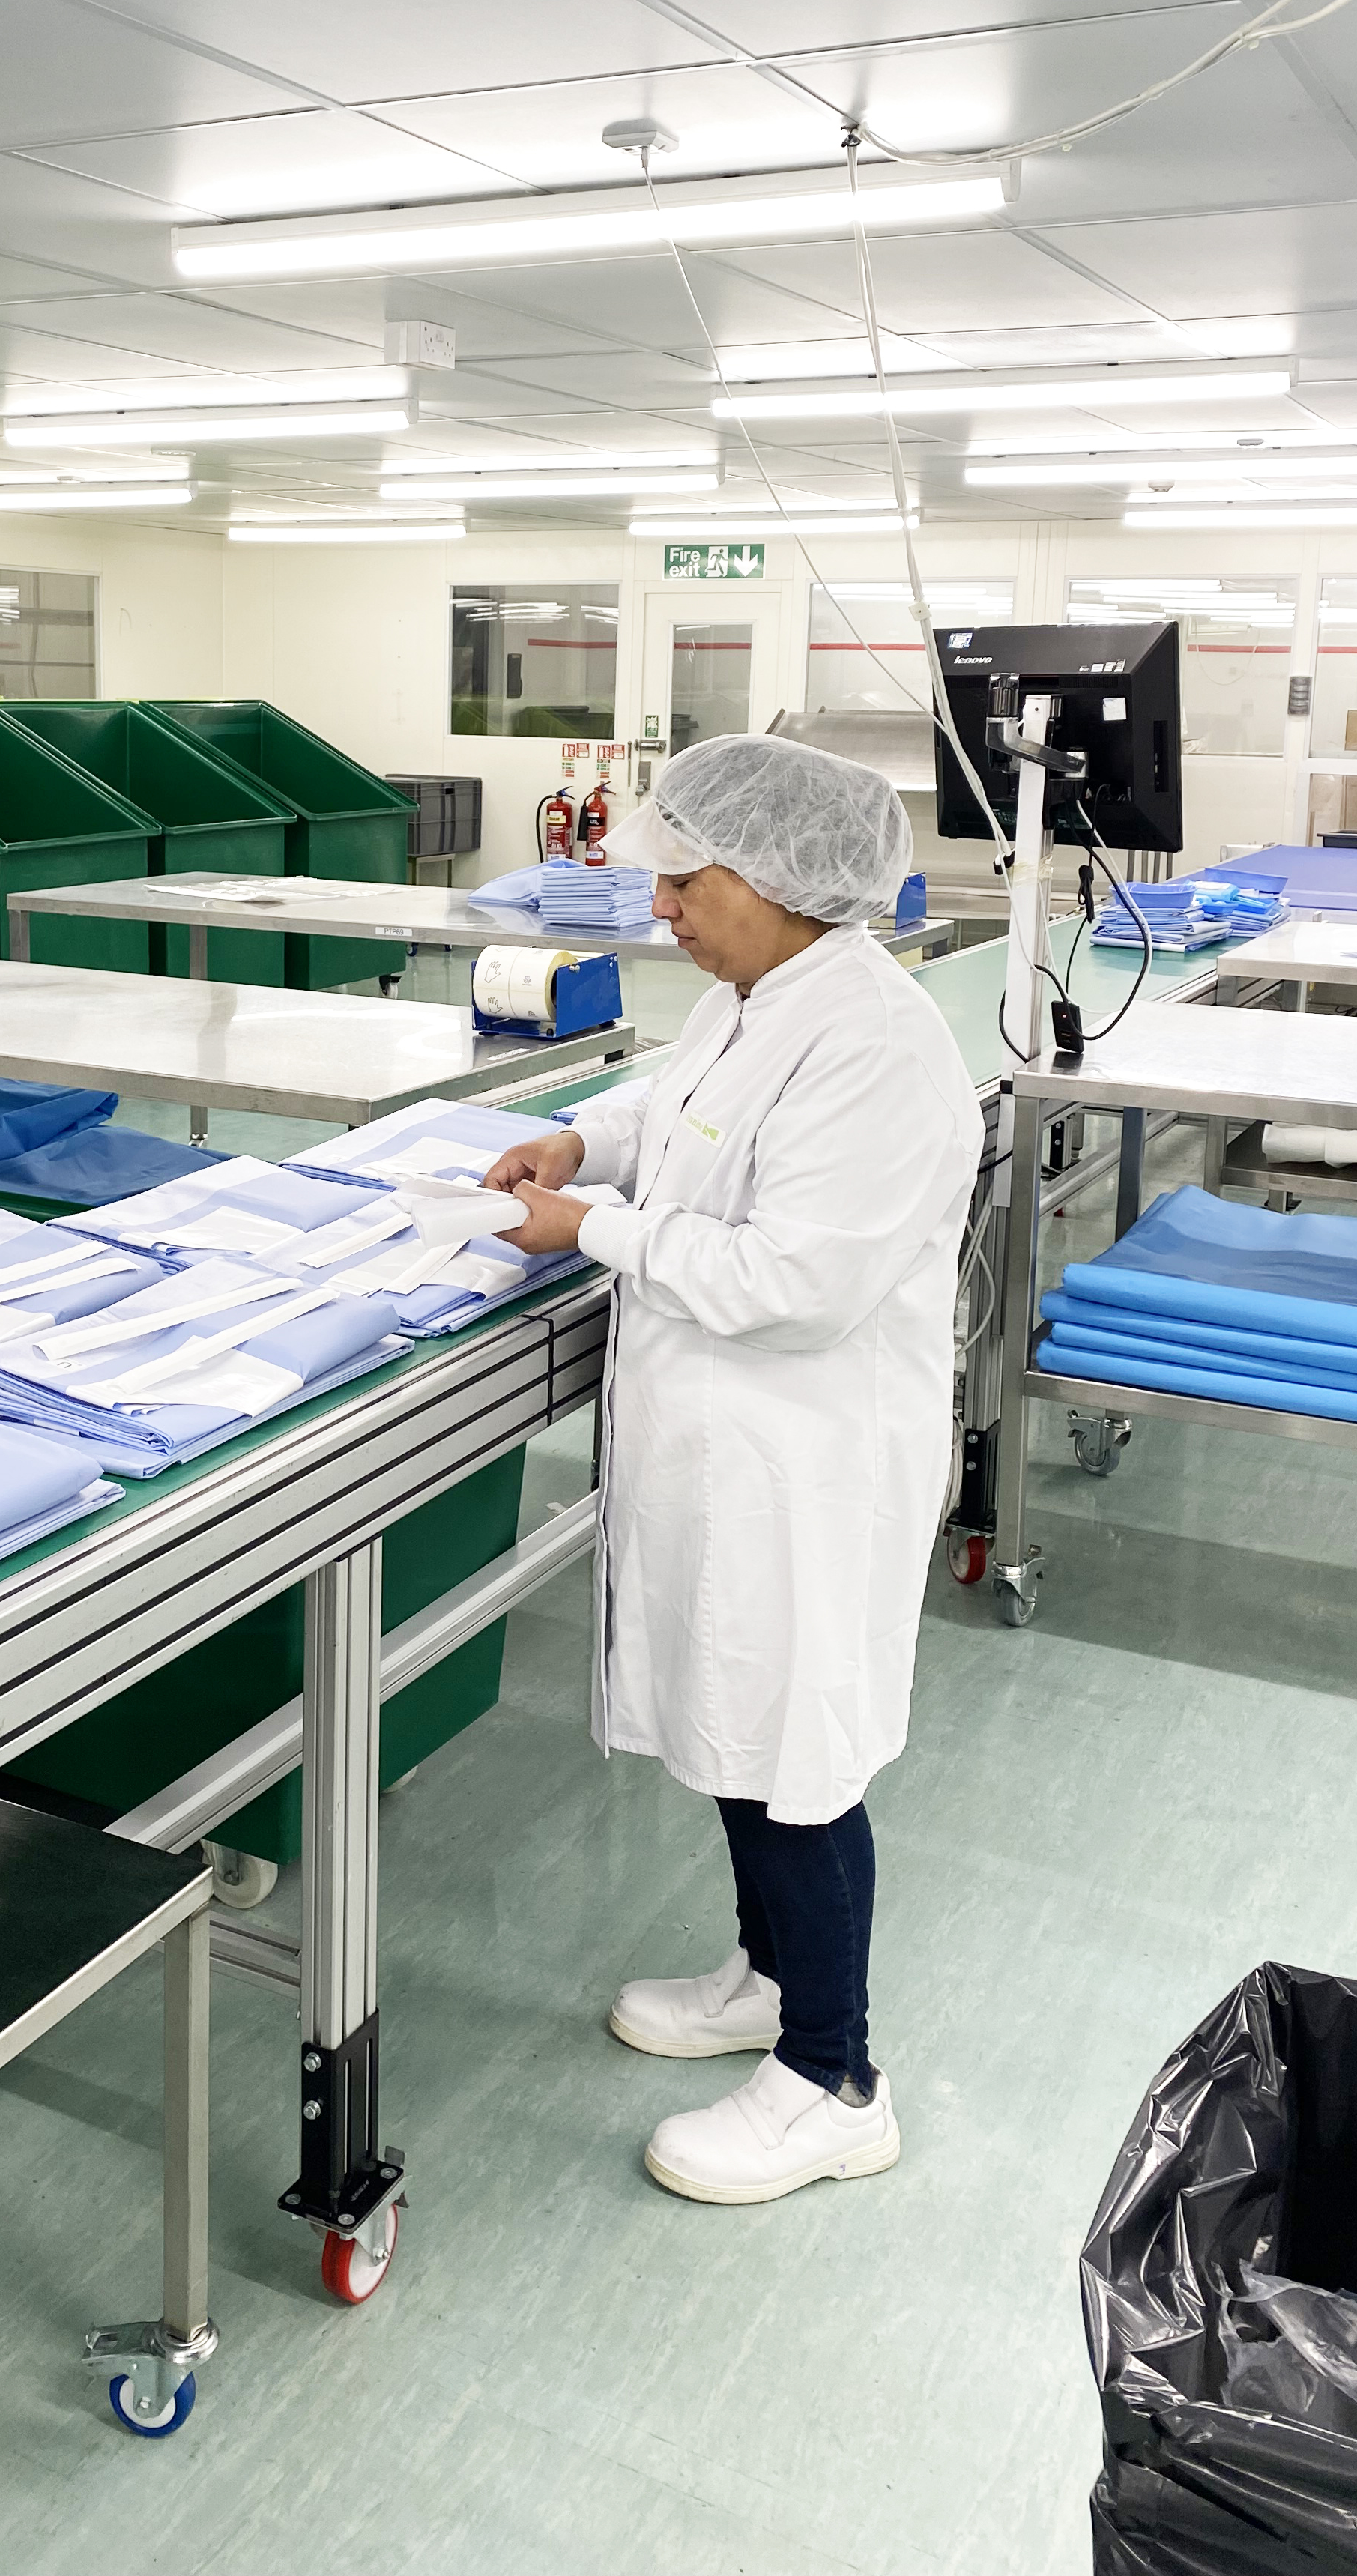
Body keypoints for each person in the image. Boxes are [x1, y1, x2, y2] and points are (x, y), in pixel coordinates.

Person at [485, 731, 980, 2206]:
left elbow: (797, 1281)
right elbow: (677, 1106)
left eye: (686, 882)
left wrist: (594, 1234)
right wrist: (586, 1139)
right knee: (736, 1727)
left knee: (798, 1765)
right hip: (725, 1446)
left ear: (770, 881)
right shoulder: (755, 995)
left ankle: (835, 2079)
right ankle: (768, 1981)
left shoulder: (880, 1049)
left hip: (809, 1464)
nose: (663, 911)